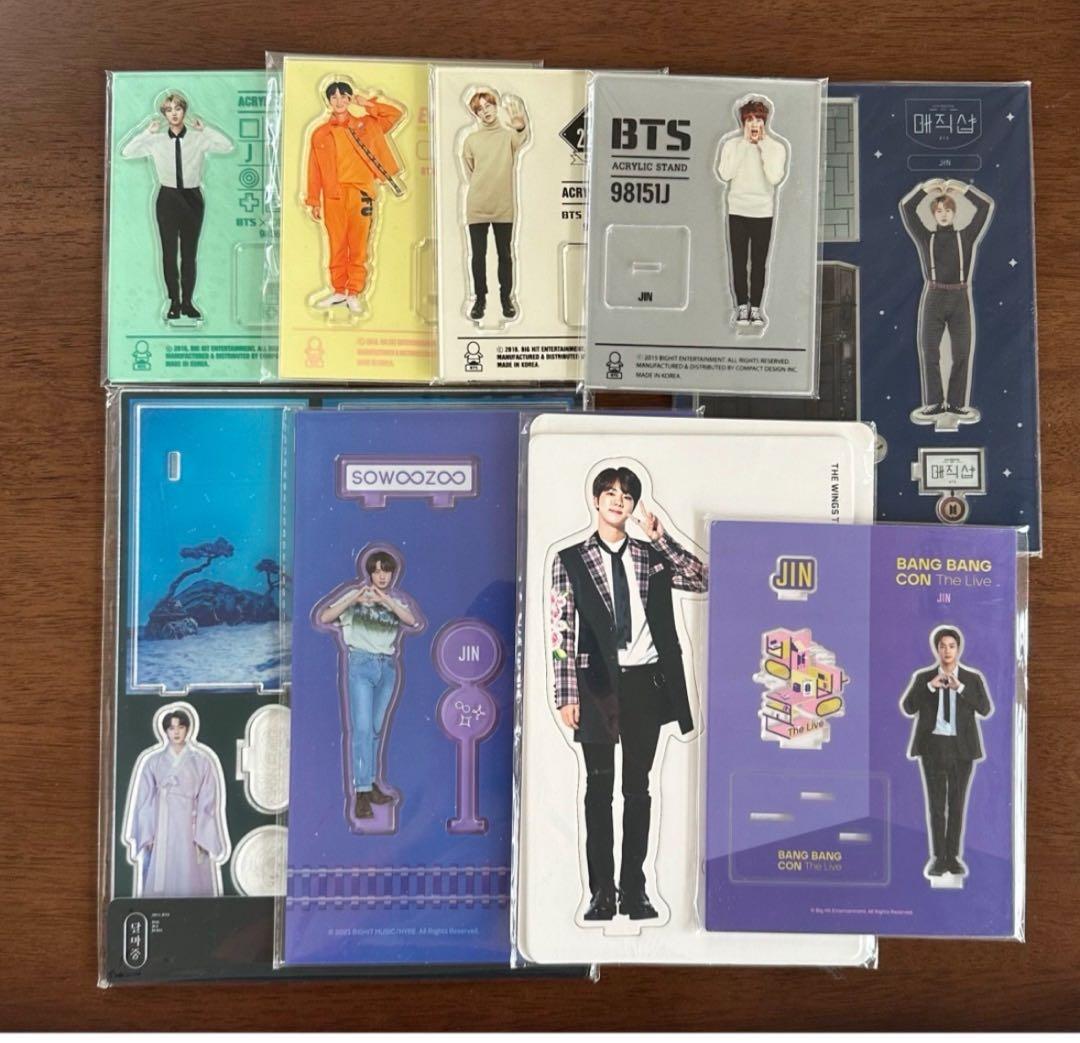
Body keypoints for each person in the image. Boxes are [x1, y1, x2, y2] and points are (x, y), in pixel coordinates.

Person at [549, 467, 708, 921]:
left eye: (627, 495)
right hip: (595, 684)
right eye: (611, 493)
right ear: (596, 500)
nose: (619, 501)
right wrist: (566, 692)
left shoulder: (649, 556)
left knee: (638, 788)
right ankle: (602, 893)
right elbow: (561, 629)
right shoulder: (570, 559)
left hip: (645, 682)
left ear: (634, 505)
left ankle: (634, 891)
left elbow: (702, 579)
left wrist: (661, 538)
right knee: (598, 789)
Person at [316, 548, 421, 820]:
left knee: (374, 729)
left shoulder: (396, 600)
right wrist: (355, 598)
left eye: (386, 570)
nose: (382, 576)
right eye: (376, 571)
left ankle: (371, 782)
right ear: (369, 573)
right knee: (362, 729)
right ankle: (361, 792)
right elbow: (325, 617)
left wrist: (386, 601)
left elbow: (412, 621)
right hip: (361, 664)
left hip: (387, 667)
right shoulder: (355, 596)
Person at [121, 91, 233, 321]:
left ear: (184, 111)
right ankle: (174, 302)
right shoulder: (156, 140)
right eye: (169, 110)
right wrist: (147, 132)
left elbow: (227, 146)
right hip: (167, 198)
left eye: (178, 109)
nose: (174, 114)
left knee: (189, 254)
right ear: (164, 114)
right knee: (169, 253)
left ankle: (188, 302)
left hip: (192, 198)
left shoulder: (198, 138)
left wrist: (205, 129)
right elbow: (127, 152)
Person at [899, 178, 994, 424]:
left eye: (947, 210)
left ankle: (956, 404)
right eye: (938, 210)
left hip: (960, 298)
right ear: (934, 214)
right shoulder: (926, 237)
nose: (943, 214)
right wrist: (924, 189)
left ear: (954, 213)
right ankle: (934, 404)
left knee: (962, 352)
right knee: (929, 351)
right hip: (934, 298)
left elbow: (985, 207)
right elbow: (908, 208)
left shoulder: (966, 237)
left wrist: (963, 189)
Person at [305, 81, 405, 315]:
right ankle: (339, 290)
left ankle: (354, 293)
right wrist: (313, 200)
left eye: (344, 97)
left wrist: (367, 103)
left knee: (358, 245)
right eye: (334, 97)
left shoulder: (367, 125)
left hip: (361, 193)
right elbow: (314, 168)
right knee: (337, 243)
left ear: (350, 99)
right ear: (328, 101)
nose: (339, 101)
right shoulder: (320, 133)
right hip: (333, 196)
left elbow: (395, 115)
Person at [900, 626, 992, 879]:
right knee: (936, 806)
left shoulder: (972, 678)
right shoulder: (924, 677)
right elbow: (908, 707)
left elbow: (985, 709)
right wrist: (930, 686)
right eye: (942, 646)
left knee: (957, 804)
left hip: (962, 750)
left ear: (958, 649)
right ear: (936, 649)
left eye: (952, 646)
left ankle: (953, 857)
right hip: (932, 748)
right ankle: (939, 858)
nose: (947, 650)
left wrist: (960, 688)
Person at [123, 709, 228, 898]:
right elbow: (145, 800)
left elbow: (207, 800)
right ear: (165, 731)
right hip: (161, 824)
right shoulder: (153, 762)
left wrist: (203, 835)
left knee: (189, 869)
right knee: (161, 870)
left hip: (190, 826)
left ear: (188, 729)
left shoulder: (201, 762)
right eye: (171, 728)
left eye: (180, 727)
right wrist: (147, 833)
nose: (176, 732)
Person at [716, 98, 788, 328]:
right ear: (742, 122)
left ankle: (756, 308)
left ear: (765, 121)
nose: (754, 123)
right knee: (738, 262)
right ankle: (741, 307)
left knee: (759, 263)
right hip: (737, 210)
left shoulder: (776, 147)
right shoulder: (731, 145)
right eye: (749, 119)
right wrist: (745, 145)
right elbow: (725, 174)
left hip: (763, 212)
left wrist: (762, 145)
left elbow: (775, 178)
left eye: (758, 119)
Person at [461, 89, 529, 321]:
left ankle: (506, 299)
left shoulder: (508, 137)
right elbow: (470, 173)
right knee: (478, 256)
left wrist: (520, 126)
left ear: (495, 105)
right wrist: (484, 185)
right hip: (477, 205)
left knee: (505, 255)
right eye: (479, 109)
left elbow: (521, 138)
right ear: (476, 114)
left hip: (503, 206)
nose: (485, 111)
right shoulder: (471, 140)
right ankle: (479, 300)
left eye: (488, 105)